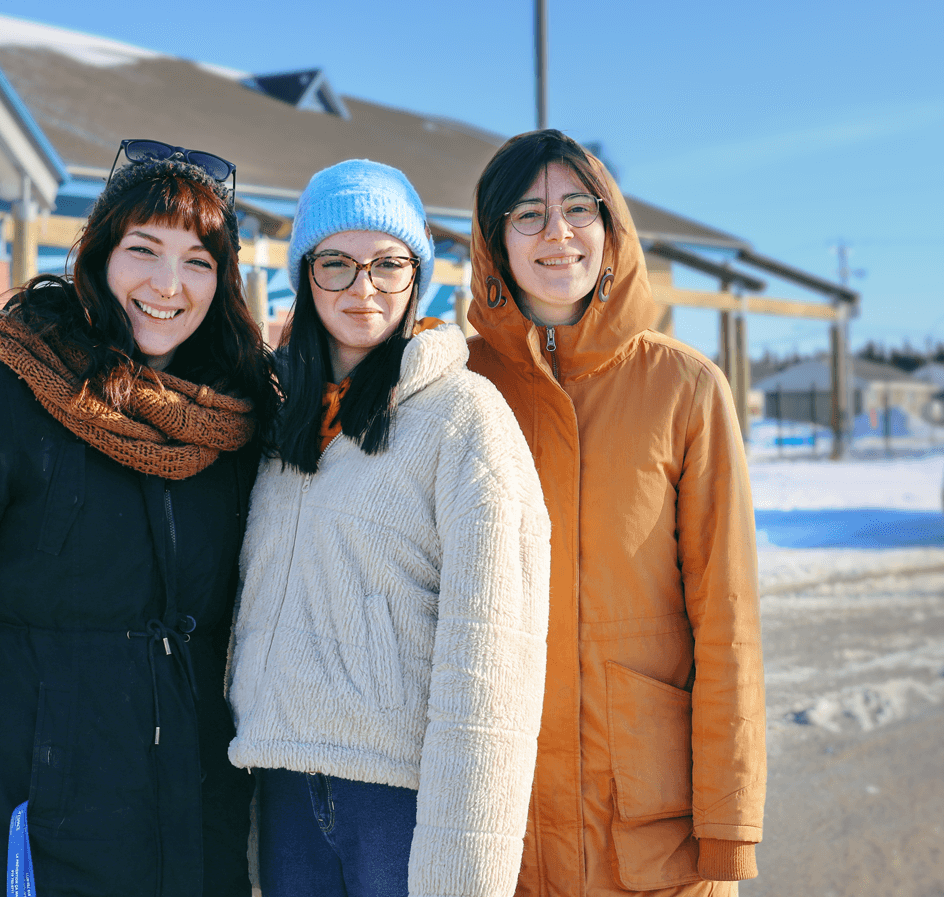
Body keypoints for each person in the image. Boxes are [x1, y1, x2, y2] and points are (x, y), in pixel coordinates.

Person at [0, 141, 276, 896]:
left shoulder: (234, 418)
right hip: (23, 833)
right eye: (144, 249)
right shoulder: (1, 390)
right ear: (98, 252)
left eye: (199, 261)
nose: (168, 285)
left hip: (190, 830)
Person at [227, 159, 550, 897]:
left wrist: (464, 872)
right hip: (280, 790)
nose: (362, 288)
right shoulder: (281, 423)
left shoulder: (464, 419)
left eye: (387, 264)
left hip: (397, 807)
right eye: (336, 263)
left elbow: (493, 662)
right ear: (305, 275)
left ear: (418, 276)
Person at [465, 130, 766, 897]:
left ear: (611, 228)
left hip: (650, 831)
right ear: (495, 237)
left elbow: (727, 620)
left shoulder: (685, 387)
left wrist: (730, 827)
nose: (556, 233)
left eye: (577, 209)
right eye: (527, 213)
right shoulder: (455, 384)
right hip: (504, 822)